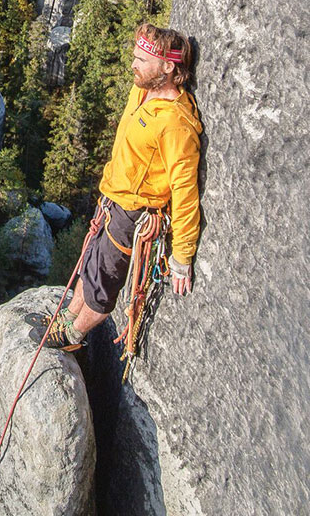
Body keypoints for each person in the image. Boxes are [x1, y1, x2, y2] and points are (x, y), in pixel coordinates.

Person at [45, 22, 203, 351]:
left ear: (167, 68)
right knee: (90, 264)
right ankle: (66, 317)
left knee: (103, 283)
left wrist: (182, 257)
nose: (133, 64)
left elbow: (185, 191)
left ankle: (73, 335)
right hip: (113, 199)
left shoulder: (175, 124)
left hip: (131, 216)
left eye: (141, 60)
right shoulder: (143, 91)